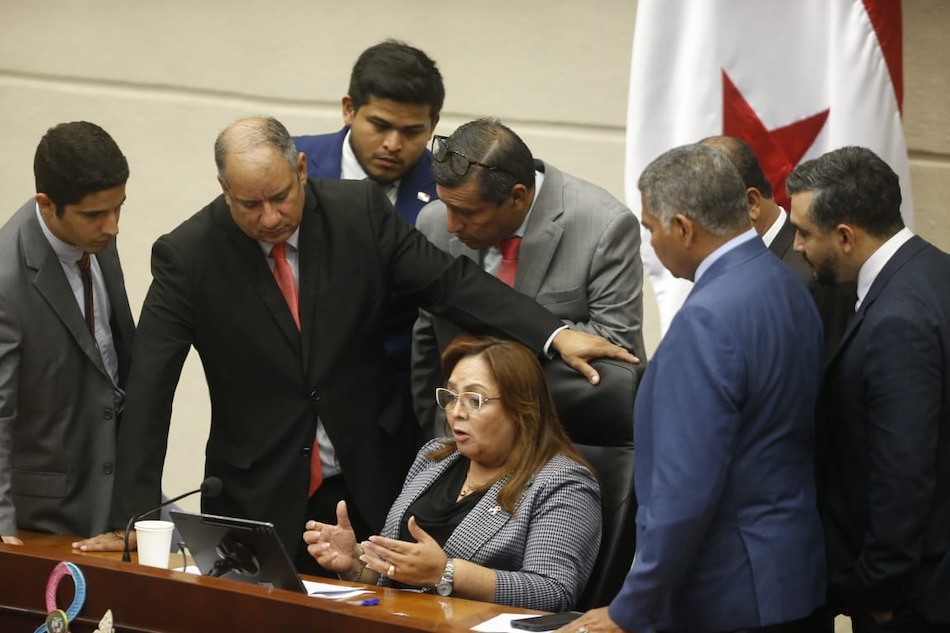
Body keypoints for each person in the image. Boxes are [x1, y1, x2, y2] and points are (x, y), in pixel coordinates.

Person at [76, 117, 633, 575]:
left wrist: (554, 334)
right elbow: (151, 386)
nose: (268, 218)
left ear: (301, 170)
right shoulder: (188, 256)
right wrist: (131, 518)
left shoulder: (359, 213)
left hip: (370, 483)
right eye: (248, 206)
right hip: (257, 494)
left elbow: (451, 286)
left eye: (278, 198)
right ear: (224, 192)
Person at [563, 144, 826, 633]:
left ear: (684, 228)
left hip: (723, 595)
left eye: (650, 228)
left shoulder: (708, 318)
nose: (650, 244)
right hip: (792, 579)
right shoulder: (787, 281)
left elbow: (685, 488)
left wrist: (631, 608)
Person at [303, 335, 601, 612]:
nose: (456, 411)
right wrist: (355, 563)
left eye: (474, 400)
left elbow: (553, 592)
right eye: (451, 397)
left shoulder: (562, 482)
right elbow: (398, 575)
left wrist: (446, 573)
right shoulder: (434, 457)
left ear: (523, 410)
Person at [787, 146, 950, 632]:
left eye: (804, 233)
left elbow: (902, 471)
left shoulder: (897, 318)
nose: (796, 247)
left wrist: (881, 590)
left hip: (915, 598)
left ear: (844, 236)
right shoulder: (935, 270)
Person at [412, 119, 644, 436]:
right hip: (463, 442)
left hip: (566, 436)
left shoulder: (604, 227)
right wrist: (435, 435)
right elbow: (427, 340)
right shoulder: (433, 223)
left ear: (517, 197)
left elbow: (614, 344)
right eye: (446, 205)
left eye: (467, 213)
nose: (452, 225)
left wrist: (545, 337)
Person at [0, 121, 134, 542]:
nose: (113, 227)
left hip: (116, 498)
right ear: (46, 204)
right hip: (43, 519)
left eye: (119, 208)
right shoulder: (6, 279)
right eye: (96, 214)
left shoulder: (96, 238)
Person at [293, 40, 443, 400]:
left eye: (411, 132)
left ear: (433, 124)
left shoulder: (447, 193)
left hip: (395, 404)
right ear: (349, 109)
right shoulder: (290, 166)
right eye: (380, 125)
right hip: (288, 393)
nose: (393, 144)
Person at [700, 135, 856, 359]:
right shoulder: (725, 266)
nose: (695, 228)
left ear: (751, 203)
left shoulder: (813, 271)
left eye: (703, 212)